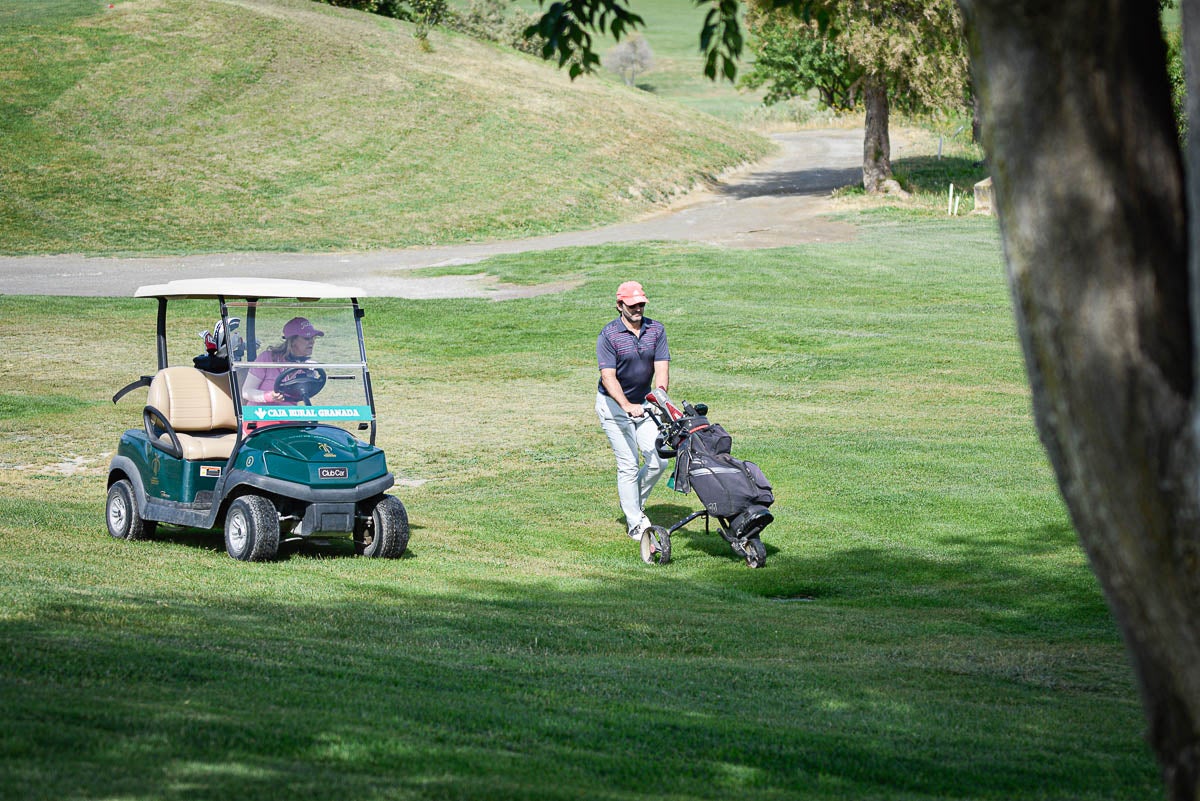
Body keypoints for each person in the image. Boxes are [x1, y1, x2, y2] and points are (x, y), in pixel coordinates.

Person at [595, 280, 670, 543]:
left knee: (659, 459)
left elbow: (661, 368)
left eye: (641, 304)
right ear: (620, 306)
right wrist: (626, 405)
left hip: (645, 405)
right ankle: (635, 523)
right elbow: (608, 377)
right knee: (628, 465)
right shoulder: (609, 336)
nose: (638, 308)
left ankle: (632, 502)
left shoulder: (656, 330)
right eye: (632, 304)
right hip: (614, 407)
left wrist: (660, 397)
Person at [241, 316, 323, 405]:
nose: (312, 342)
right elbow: (246, 392)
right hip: (259, 415)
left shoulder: (308, 367)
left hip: (288, 416)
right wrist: (268, 396)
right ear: (292, 341)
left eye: (313, 338)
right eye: (307, 338)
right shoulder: (267, 359)